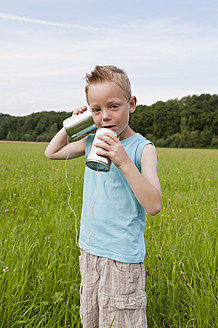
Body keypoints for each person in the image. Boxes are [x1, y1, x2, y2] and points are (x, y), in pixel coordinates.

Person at [45, 65, 162, 328]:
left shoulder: (143, 149)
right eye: (97, 110)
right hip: (89, 251)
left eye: (113, 106)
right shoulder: (91, 141)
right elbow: (51, 152)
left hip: (121, 258)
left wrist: (123, 161)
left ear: (131, 104)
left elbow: (154, 205)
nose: (106, 117)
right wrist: (74, 125)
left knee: (121, 321)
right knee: (92, 319)